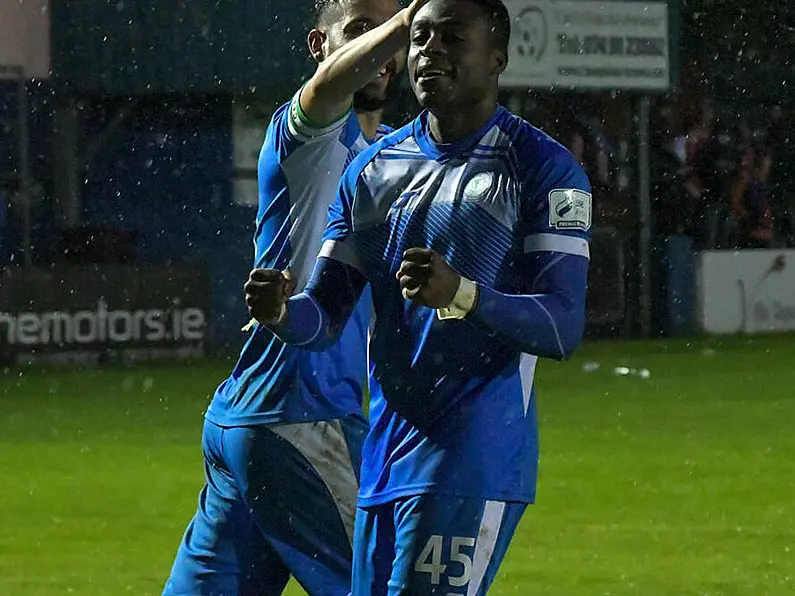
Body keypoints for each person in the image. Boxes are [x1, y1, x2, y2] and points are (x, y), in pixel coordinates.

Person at [243, 0, 592, 593]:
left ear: (499, 57)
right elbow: (324, 317)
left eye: (454, 38)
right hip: (382, 459)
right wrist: (280, 312)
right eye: (423, 37)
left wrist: (461, 292)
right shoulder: (373, 169)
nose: (431, 51)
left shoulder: (543, 168)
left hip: (473, 455)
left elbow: (561, 327)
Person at [161, 0, 430, 594]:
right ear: (320, 47)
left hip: (249, 419)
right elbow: (333, 85)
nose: (383, 53)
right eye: (359, 31)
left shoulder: (393, 154)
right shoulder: (306, 130)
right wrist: (406, 24)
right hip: (302, 417)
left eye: (390, 38)